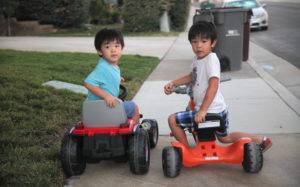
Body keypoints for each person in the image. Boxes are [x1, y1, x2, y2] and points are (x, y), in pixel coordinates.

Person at [164, 21, 272, 152]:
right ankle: (261, 140)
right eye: (194, 41)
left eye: (204, 41)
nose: (199, 46)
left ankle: (186, 151)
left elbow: (213, 86)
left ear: (213, 43)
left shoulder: (211, 60)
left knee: (172, 120)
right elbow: (192, 76)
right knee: (225, 138)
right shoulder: (197, 60)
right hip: (220, 110)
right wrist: (173, 83)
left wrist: (203, 110)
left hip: (209, 110)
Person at [84, 28, 140, 123]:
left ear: (121, 48)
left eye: (117, 46)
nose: (113, 50)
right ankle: (135, 131)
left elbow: (106, 77)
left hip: (103, 107)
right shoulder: (103, 68)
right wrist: (106, 96)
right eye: (107, 47)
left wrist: (117, 78)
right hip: (103, 107)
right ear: (99, 51)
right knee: (134, 107)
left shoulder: (110, 66)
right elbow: (88, 83)